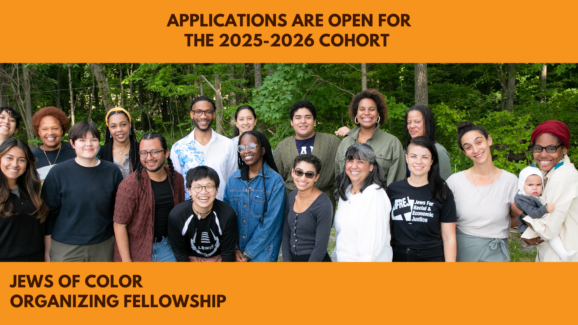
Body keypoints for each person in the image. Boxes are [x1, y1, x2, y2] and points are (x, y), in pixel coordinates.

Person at [42, 121, 123, 262]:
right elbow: (48, 215)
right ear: (72, 143)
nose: (89, 144)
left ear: (99, 143)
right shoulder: (58, 173)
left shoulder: (112, 171)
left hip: (103, 246)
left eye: (94, 139)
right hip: (65, 248)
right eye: (82, 140)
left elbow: (119, 212)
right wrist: (48, 252)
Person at [446, 122, 518, 262]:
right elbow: (445, 224)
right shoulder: (454, 182)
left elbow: (515, 219)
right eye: (468, 147)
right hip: (463, 254)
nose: (476, 149)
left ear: (489, 140)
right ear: (464, 152)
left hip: (496, 254)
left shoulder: (510, 181)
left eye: (479, 142)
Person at [113, 132, 185, 262]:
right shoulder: (130, 185)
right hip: (137, 250)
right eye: (144, 153)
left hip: (168, 247)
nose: (149, 157)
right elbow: (119, 225)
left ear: (166, 153)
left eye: (155, 152)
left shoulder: (177, 179)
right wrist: (126, 261)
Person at [336, 104, 452, 180]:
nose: (412, 126)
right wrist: (351, 133)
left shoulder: (438, 151)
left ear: (427, 123)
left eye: (417, 121)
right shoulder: (406, 150)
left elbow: (445, 188)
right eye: (409, 122)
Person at [388, 137, 456, 262]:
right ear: (407, 158)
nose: (418, 161)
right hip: (398, 256)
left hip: (431, 256)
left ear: (432, 160)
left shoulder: (443, 192)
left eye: (425, 157)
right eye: (413, 156)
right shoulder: (393, 190)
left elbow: (449, 237)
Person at [519, 120, 578, 262]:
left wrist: (521, 213)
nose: (543, 155)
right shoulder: (546, 174)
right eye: (538, 148)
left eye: (551, 148)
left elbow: (548, 229)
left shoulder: (562, 177)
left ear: (564, 149)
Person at [224, 130, 285, 262]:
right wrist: (234, 248)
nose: (246, 151)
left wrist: (248, 254)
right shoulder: (233, 180)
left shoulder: (275, 181)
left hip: (264, 252)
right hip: (236, 251)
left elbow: (272, 223)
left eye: (251, 146)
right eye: (241, 147)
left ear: (263, 150)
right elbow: (227, 218)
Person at [334, 89, 405, 189]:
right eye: (362, 109)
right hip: (348, 202)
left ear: (378, 113)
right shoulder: (345, 142)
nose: (366, 113)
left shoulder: (392, 143)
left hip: (380, 203)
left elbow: (398, 182)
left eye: (371, 109)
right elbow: (339, 177)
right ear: (356, 114)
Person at [170, 96, 237, 201]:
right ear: (192, 114)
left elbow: (232, 180)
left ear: (214, 114)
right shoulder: (178, 148)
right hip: (189, 209)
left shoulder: (227, 144)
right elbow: (176, 184)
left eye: (208, 112)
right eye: (198, 112)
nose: (203, 116)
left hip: (221, 208)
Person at [333, 143, 392, 262]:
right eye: (350, 161)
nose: (354, 166)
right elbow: (342, 235)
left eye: (360, 161)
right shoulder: (347, 192)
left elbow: (371, 244)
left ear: (371, 167)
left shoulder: (374, 194)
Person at [274, 100, 341, 203]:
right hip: (292, 204)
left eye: (308, 117)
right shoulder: (282, 147)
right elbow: (276, 180)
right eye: (298, 117)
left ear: (314, 121)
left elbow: (346, 169)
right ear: (292, 122)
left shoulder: (332, 143)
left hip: (323, 203)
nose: (303, 121)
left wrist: (350, 135)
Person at [168, 166, 238, 262]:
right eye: (197, 187)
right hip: (190, 259)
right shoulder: (177, 215)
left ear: (217, 190)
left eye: (209, 186)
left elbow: (227, 254)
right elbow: (180, 254)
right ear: (189, 190)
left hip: (218, 258)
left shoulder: (227, 214)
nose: (203, 192)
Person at [0, 139, 50, 261]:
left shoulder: (34, 191)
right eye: (9, 158)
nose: (15, 164)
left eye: (21, 160)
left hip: (35, 263)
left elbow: (45, 228)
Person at [515, 166, 576, 262]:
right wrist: (545, 209)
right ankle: (564, 254)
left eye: (538, 185)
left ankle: (563, 254)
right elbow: (533, 213)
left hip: (535, 223)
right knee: (552, 234)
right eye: (530, 185)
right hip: (527, 228)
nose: (535, 188)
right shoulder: (522, 199)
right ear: (522, 184)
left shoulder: (529, 195)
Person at [282, 154, 333, 262]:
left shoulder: (323, 204)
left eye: (309, 174)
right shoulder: (291, 197)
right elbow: (286, 232)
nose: (303, 178)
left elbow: (321, 246)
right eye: (299, 172)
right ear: (292, 172)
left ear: (316, 177)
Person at [31, 107, 76, 180]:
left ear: (62, 130)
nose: (50, 133)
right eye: (44, 129)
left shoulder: (75, 151)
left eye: (55, 128)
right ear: (39, 132)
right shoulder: (31, 158)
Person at [99, 107, 140, 178]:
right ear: (109, 128)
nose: (119, 129)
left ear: (130, 125)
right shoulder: (100, 153)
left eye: (123, 124)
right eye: (113, 126)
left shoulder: (141, 150)